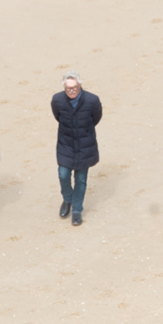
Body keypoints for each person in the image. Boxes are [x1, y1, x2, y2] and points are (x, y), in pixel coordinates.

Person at [52, 71, 103, 224]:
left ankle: (76, 210)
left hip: (85, 146)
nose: (71, 90)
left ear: (80, 85)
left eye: (74, 87)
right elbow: (57, 116)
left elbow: (96, 118)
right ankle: (67, 199)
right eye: (68, 88)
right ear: (64, 88)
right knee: (63, 174)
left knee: (81, 180)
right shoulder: (57, 100)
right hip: (65, 145)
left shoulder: (92, 100)